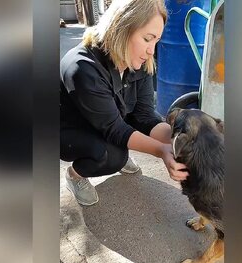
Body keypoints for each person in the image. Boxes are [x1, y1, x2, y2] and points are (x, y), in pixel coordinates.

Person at [60, 0, 188, 206]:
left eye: (156, 41)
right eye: (147, 39)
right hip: (71, 130)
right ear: (121, 28)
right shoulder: (82, 67)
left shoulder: (139, 60)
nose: (151, 51)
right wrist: (160, 151)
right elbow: (114, 128)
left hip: (108, 120)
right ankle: (75, 175)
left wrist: (181, 141)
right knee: (113, 156)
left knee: (125, 139)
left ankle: (120, 148)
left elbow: (144, 115)